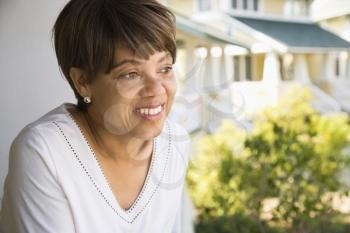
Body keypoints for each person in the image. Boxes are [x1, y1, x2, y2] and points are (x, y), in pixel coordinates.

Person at [0, 0, 191, 232]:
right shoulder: (45, 151)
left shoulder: (175, 143)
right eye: (131, 74)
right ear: (83, 82)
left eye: (165, 69)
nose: (157, 90)